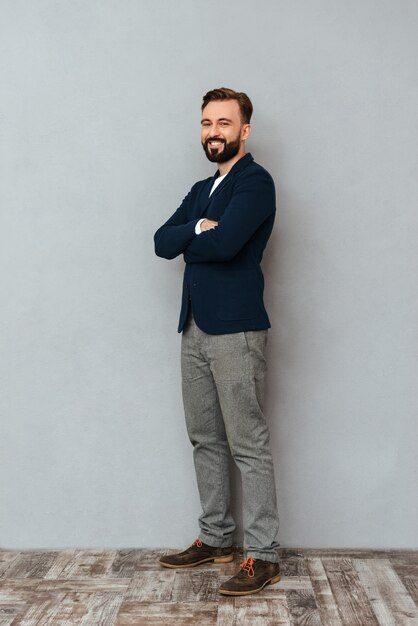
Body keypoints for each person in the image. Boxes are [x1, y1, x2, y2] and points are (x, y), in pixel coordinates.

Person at [154, 87, 281, 596]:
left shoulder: (256, 182)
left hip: (236, 330)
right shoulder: (201, 188)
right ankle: (216, 537)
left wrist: (200, 236)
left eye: (224, 123)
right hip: (195, 328)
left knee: (248, 444)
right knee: (204, 438)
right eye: (208, 123)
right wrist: (198, 227)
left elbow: (227, 246)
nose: (214, 132)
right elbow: (163, 242)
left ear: (243, 130)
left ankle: (263, 554)